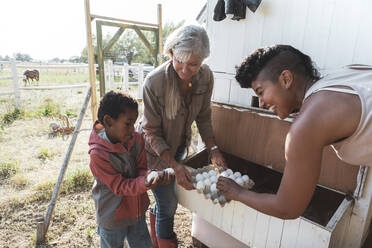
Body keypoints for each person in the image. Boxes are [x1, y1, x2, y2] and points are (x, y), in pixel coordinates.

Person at [217, 44, 372, 228]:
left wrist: (238, 193)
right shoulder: (345, 74)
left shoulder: (307, 123)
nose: (260, 103)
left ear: (286, 79)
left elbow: (287, 208)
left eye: (260, 92)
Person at [140, 25, 227, 247]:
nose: (186, 70)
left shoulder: (206, 78)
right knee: (169, 205)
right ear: (171, 52)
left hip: (179, 147)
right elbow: (151, 131)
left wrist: (213, 149)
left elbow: (204, 117)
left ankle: (156, 232)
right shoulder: (154, 82)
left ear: (203, 61)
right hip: (155, 152)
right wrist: (174, 166)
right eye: (180, 61)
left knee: (165, 202)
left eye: (194, 64)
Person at [88, 90, 171, 248]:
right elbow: (119, 186)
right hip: (112, 216)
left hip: (136, 211)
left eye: (134, 123)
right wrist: (144, 183)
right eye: (128, 123)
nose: (133, 129)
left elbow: (141, 168)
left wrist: (150, 176)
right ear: (108, 121)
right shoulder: (98, 154)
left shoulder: (136, 139)